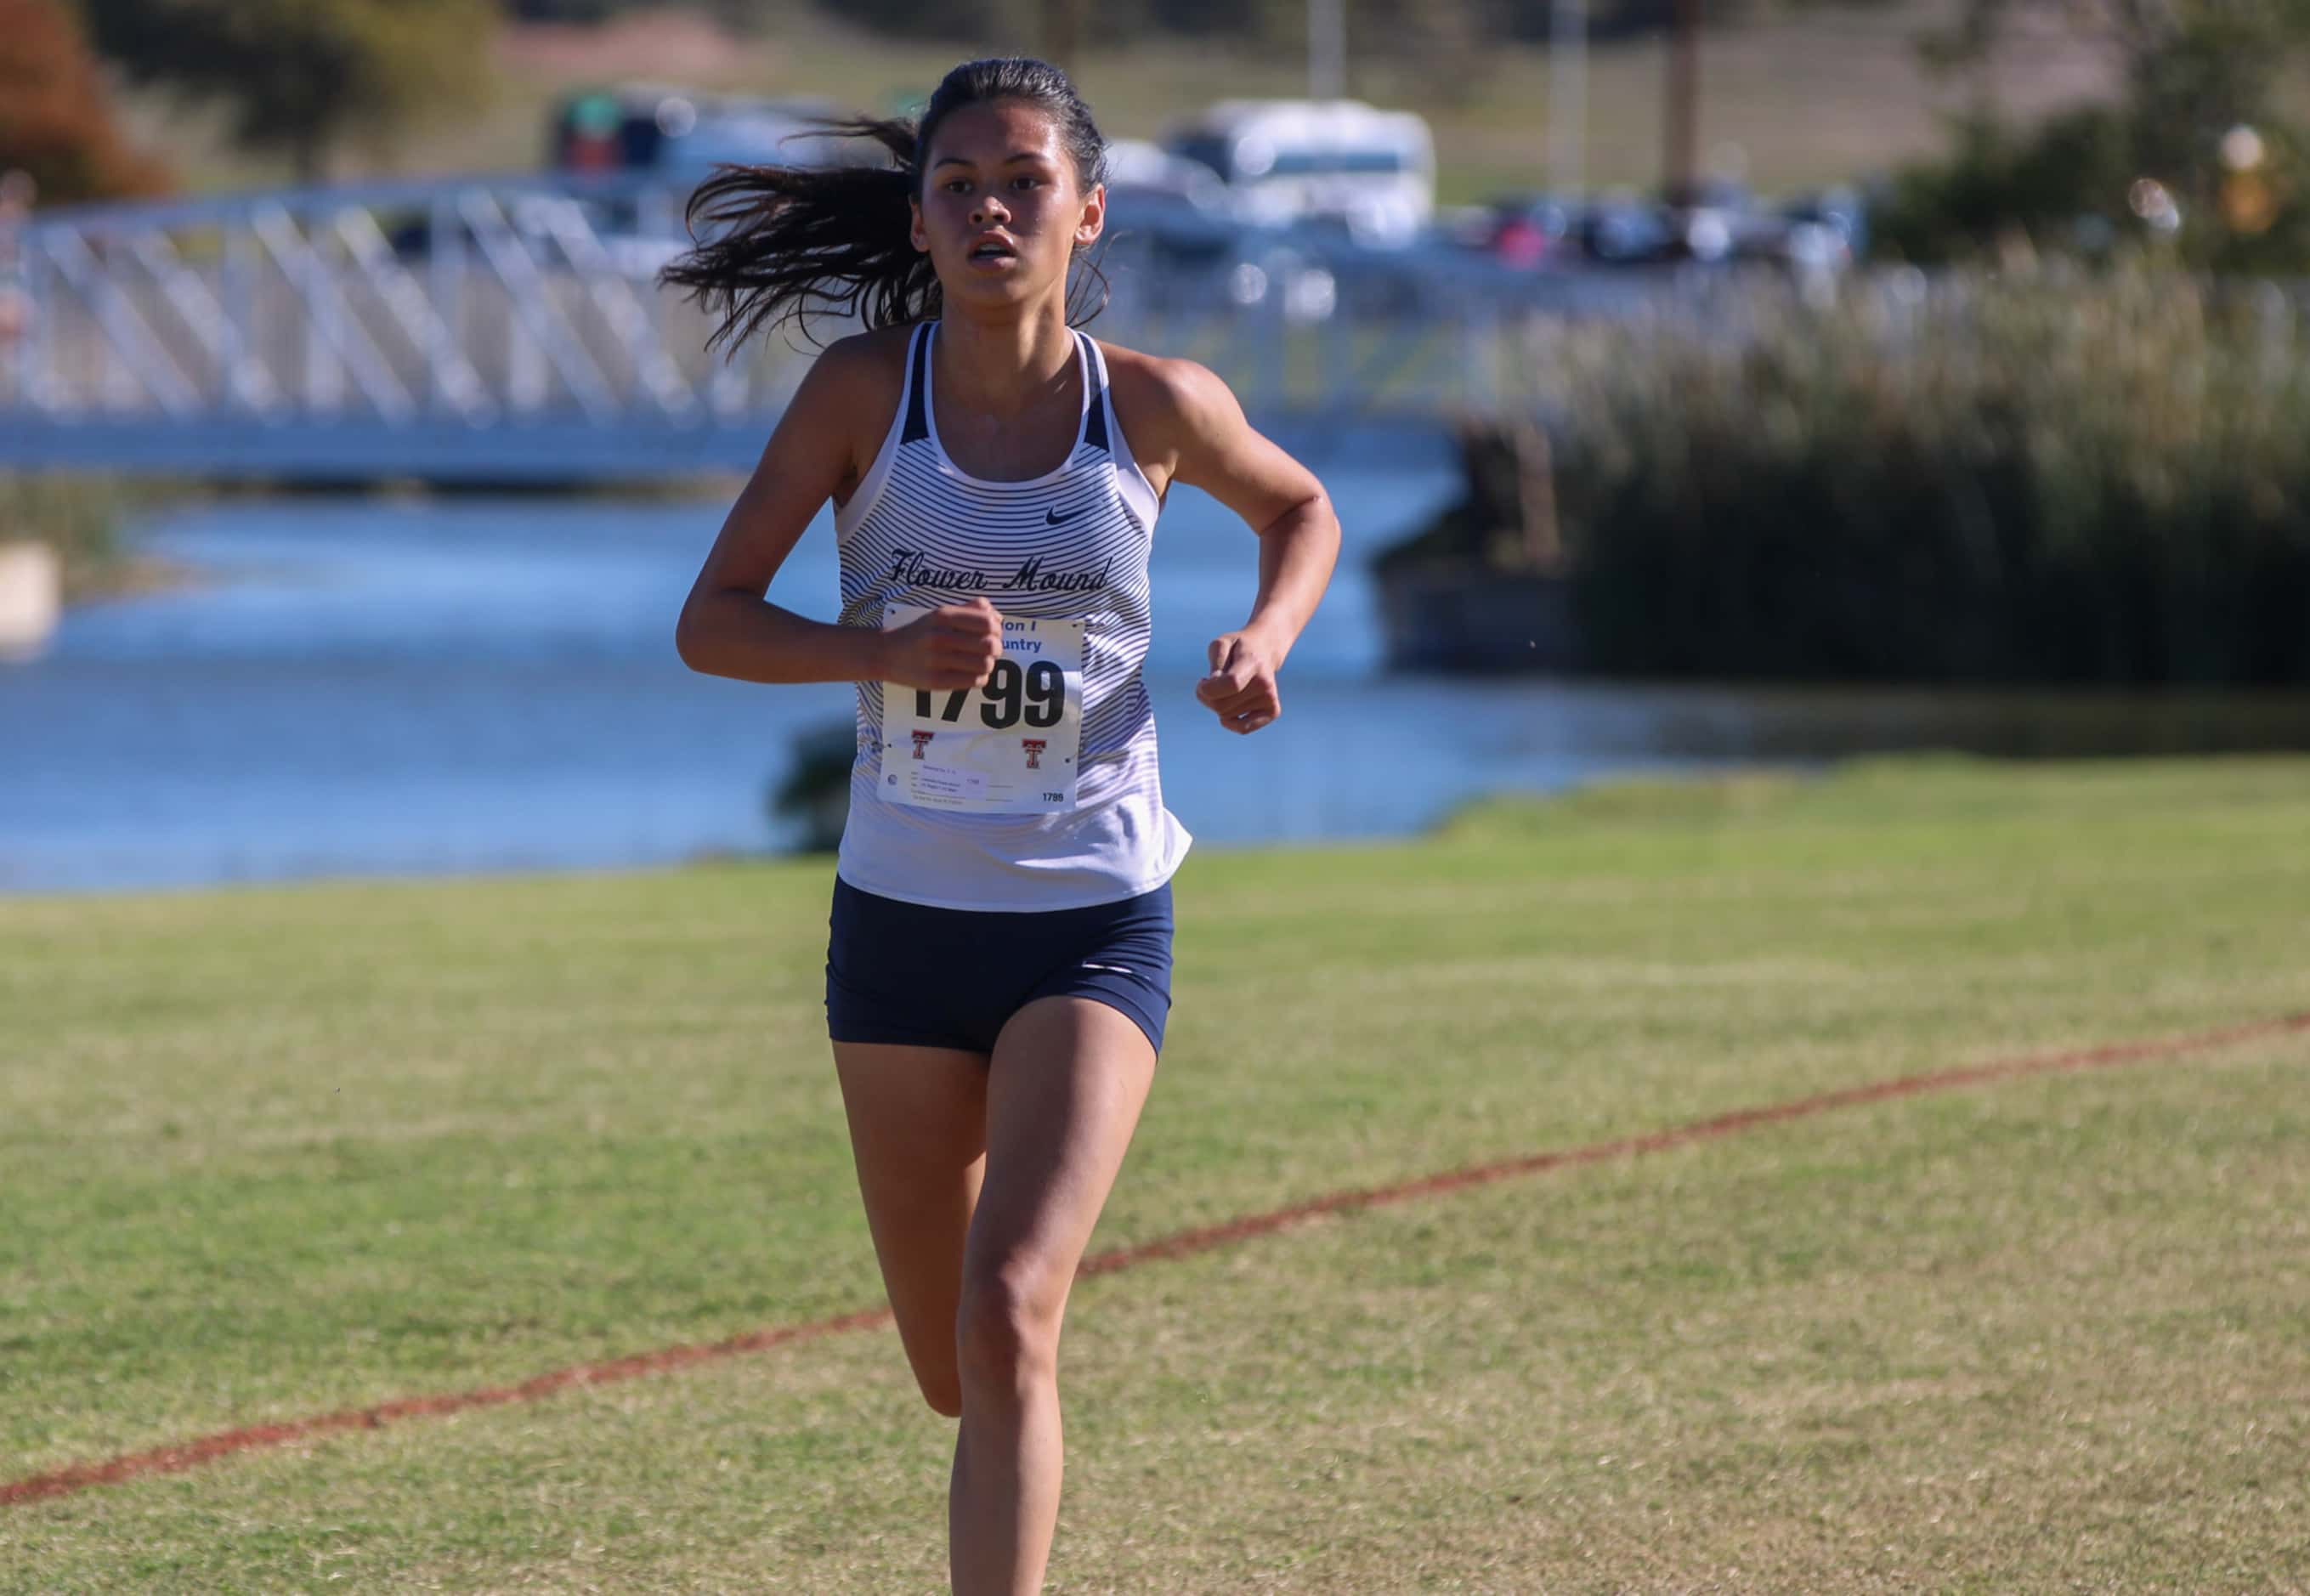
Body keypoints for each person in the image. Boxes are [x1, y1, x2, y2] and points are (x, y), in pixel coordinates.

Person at [662, 56, 1339, 1595]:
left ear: (1084, 211)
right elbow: (711, 621)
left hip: (1093, 917)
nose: (989, 208)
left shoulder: (1152, 404)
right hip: (898, 927)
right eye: (958, 184)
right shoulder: (858, 397)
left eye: (1022, 181)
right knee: (950, 1364)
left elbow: (1301, 510)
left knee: (1012, 1307)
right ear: (918, 222)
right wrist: (876, 653)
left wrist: (1264, 640)